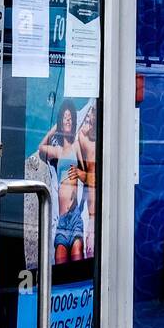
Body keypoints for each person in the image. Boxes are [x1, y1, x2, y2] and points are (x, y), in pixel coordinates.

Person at [40, 100, 85, 263]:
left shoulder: (76, 146)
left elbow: (87, 174)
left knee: (77, 258)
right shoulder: (58, 151)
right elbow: (41, 148)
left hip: (75, 216)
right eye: (64, 117)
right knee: (59, 263)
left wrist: (80, 173)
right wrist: (54, 129)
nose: (67, 120)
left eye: (70, 117)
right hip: (61, 219)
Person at [75, 100, 98, 258]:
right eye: (87, 119)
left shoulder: (95, 142)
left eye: (91, 119)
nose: (87, 122)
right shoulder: (84, 140)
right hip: (90, 209)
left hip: (96, 206)